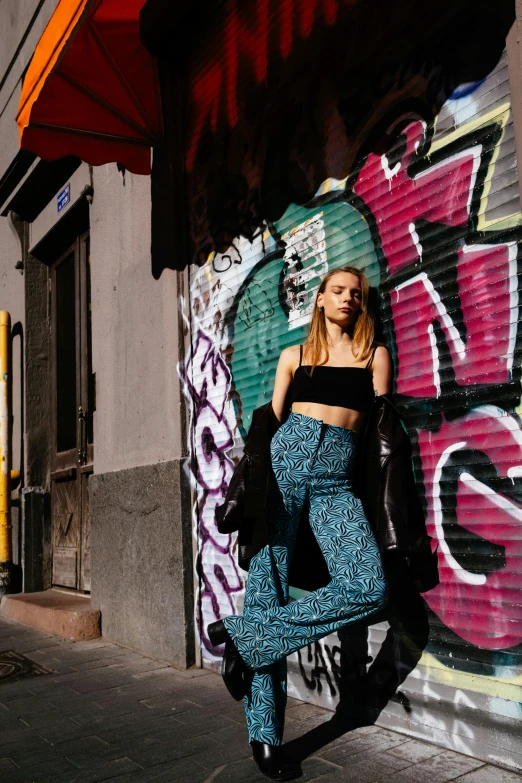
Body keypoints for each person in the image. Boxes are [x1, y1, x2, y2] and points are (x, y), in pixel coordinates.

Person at [209, 265, 392, 781]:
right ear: (319, 299)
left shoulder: (373, 356)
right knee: (266, 592)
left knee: (368, 586)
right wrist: (248, 493)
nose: (348, 299)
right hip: (284, 467)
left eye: (356, 294)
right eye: (338, 291)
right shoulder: (294, 357)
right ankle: (265, 737)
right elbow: (264, 431)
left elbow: (381, 439)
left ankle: (246, 636)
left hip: (336, 479)